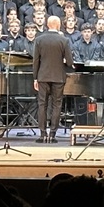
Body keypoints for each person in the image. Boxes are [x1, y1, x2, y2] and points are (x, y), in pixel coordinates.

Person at [32, 15, 73, 143]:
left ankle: (42, 134)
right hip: (58, 76)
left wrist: (35, 78)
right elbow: (70, 61)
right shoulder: (64, 40)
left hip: (42, 76)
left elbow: (35, 61)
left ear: (48, 24)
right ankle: (53, 134)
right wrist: (65, 61)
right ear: (58, 25)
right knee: (57, 104)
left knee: (42, 104)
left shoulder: (39, 40)